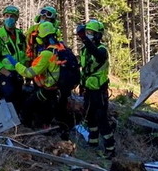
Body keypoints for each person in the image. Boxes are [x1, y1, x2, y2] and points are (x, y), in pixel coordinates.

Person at [10, 20, 77, 135]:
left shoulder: (47, 54)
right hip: (62, 89)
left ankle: (25, 130)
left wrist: (15, 64)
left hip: (49, 90)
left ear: (41, 38)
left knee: (28, 104)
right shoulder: (63, 48)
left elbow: (29, 73)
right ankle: (59, 130)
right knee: (56, 111)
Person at [76, 19, 115, 157]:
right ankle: (93, 143)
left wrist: (84, 38)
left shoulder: (101, 50)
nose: (88, 35)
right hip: (88, 89)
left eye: (91, 33)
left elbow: (97, 56)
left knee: (101, 118)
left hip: (99, 91)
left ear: (98, 35)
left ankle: (110, 148)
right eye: (87, 32)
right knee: (90, 117)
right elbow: (84, 69)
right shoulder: (84, 50)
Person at [0, 4, 26, 104]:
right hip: (4, 73)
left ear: (16, 18)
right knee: (9, 96)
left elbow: (25, 54)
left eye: (12, 16)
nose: (9, 18)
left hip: (19, 72)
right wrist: (8, 74)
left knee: (19, 99)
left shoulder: (20, 35)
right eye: (7, 16)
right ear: (4, 17)